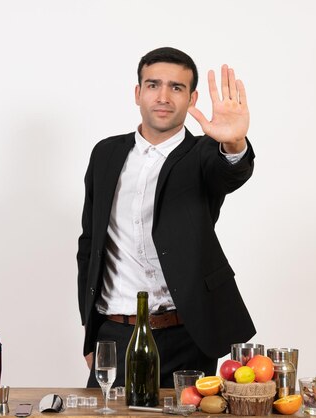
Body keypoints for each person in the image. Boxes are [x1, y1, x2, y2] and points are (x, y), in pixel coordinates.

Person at [77, 47, 256, 388]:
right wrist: (91, 333)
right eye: (153, 85)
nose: (163, 96)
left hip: (186, 336)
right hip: (114, 333)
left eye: (176, 88)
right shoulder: (106, 154)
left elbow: (229, 173)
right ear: (137, 93)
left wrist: (234, 144)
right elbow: (89, 244)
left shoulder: (204, 153)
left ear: (192, 99)